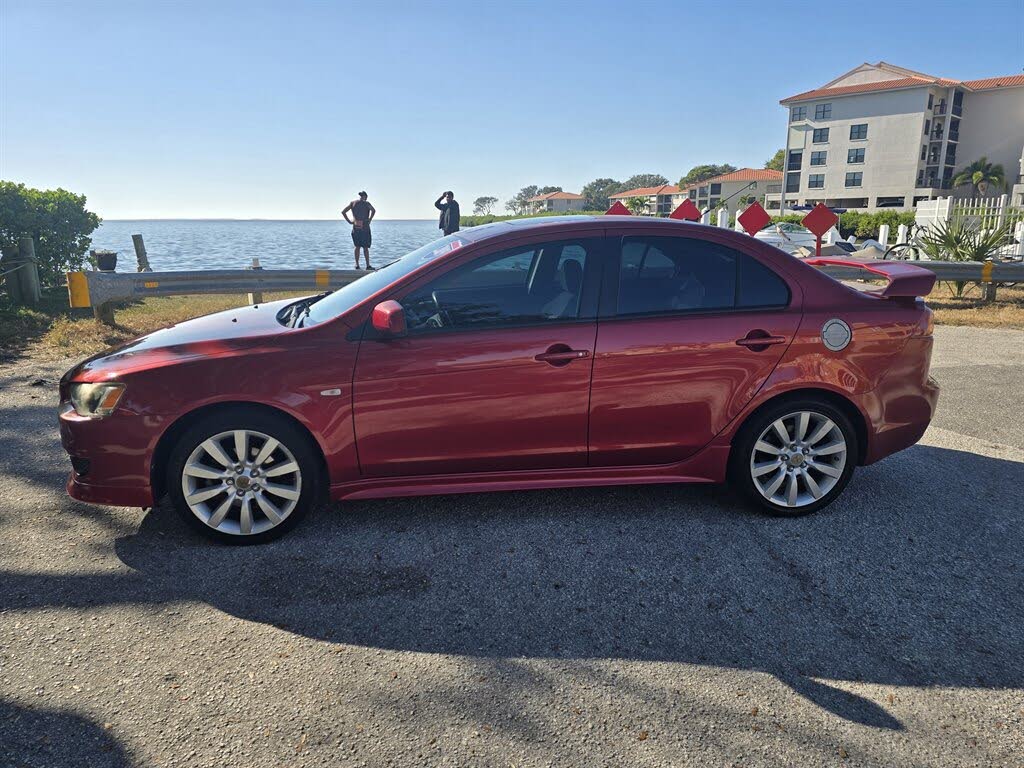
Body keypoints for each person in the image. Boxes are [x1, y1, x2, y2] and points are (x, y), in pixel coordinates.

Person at [342, 191, 376, 269]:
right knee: (365, 248)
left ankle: (357, 265)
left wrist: (350, 221)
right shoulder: (366, 203)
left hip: (356, 227)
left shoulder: (352, 203)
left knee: (357, 246)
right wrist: (370, 219)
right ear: (365, 196)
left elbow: (343, 212)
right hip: (365, 228)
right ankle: (367, 265)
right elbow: (373, 210)